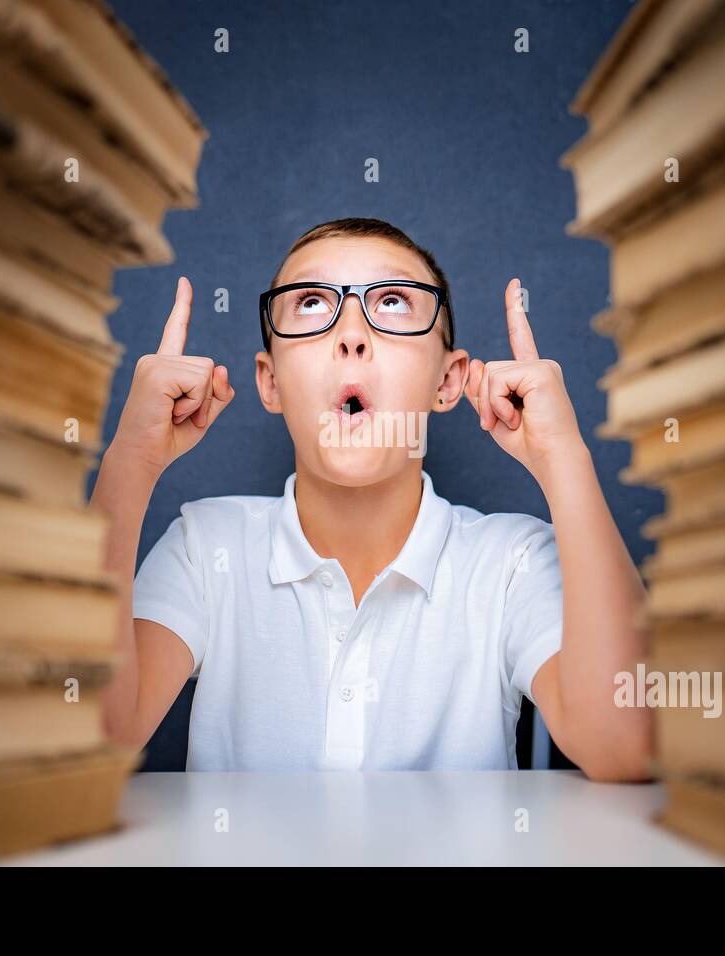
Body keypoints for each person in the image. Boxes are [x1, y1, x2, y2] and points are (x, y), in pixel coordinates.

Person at [89, 217, 650, 777]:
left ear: (448, 382)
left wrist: (563, 457)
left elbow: (626, 743)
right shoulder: (205, 548)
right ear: (271, 382)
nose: (350, 335)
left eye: (393, 302)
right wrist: (130, 461)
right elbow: (89, 735)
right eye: (310, 303)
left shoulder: (511, 564)